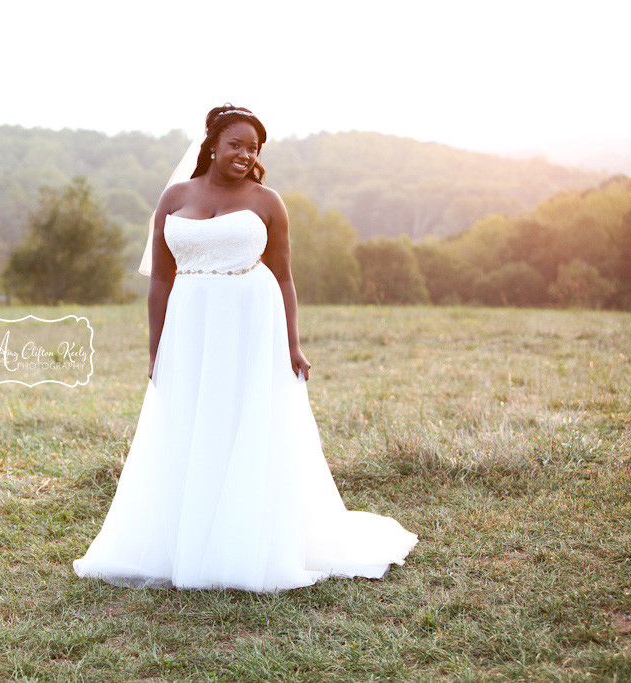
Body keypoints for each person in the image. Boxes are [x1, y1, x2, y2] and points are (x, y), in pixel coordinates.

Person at [73, 105, 417, 592]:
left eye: (253, 148)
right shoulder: (175, 196)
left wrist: (292, 345)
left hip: (251, 321)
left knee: (243, 420)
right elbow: (161, 283)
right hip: (190, 323)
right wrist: (157, 348)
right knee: (192, 422)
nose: (244, 154)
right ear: (212, 144)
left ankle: (244, 540)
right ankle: (186, 540)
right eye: (236, 144)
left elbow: (283, 276)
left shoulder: (268, 201)